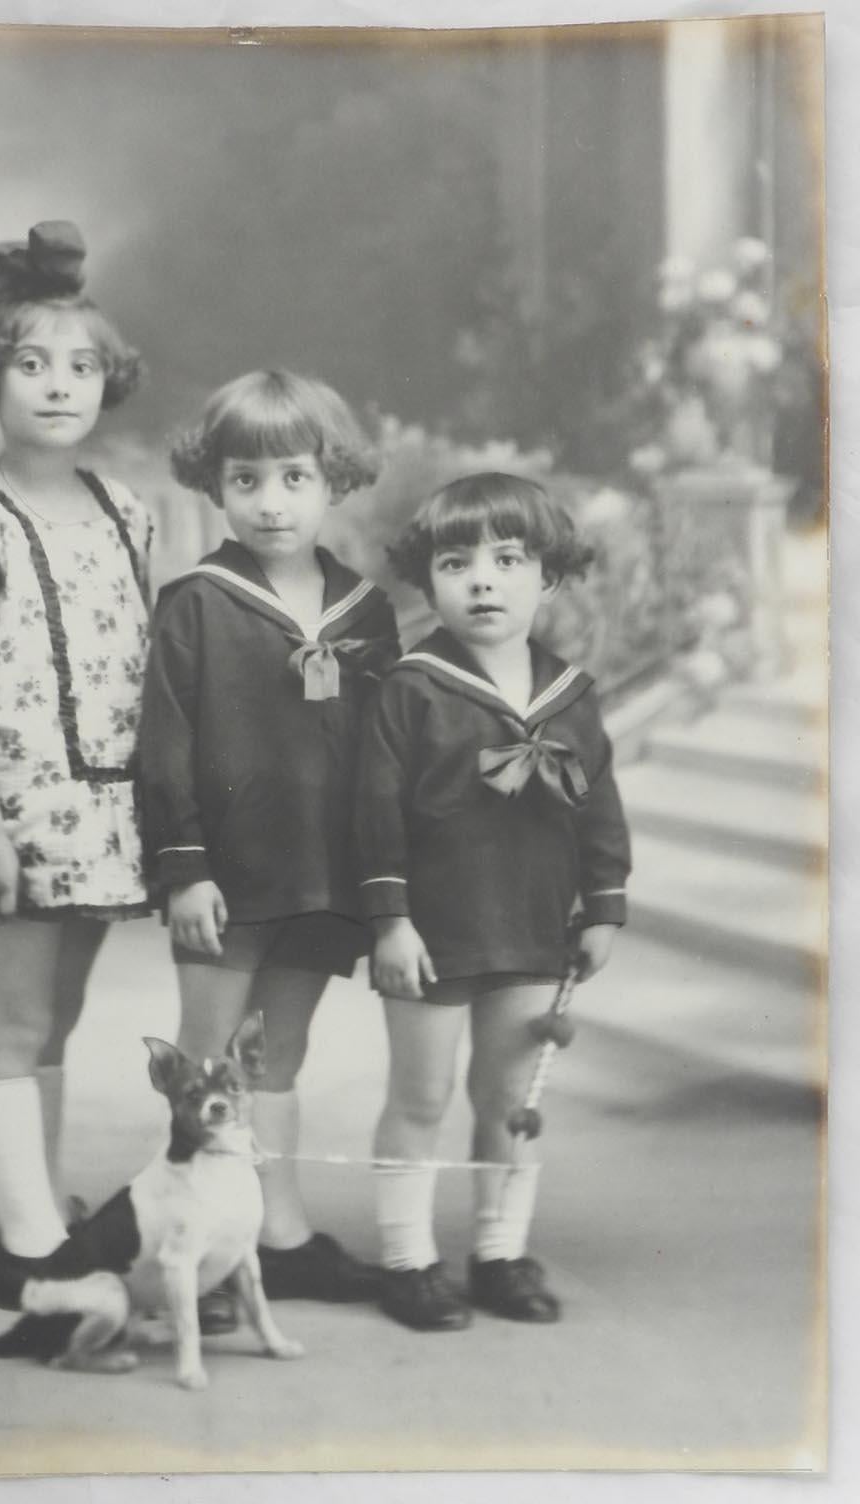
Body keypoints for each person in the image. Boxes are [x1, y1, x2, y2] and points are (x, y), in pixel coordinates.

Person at [139, 369, 400, 1321]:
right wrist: (186, 868)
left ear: (333, 479)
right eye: (246, 480)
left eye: (293, 478)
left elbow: (384, 754)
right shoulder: (196, 604)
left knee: (278, 1058)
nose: (271, 501)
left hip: (321, 877)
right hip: (227, 880)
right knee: (206, 1062)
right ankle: (194, 1253)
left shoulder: (366, 612)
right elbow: (164, 753)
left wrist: (384, 882)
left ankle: (277, 1238)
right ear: (216, 486)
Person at [0, 221, 151, 1308]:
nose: (58, 387)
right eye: (30, 365)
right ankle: (22, 1248)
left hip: (103, 812)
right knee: (10, 1022)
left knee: (56, 1022)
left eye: (81, 367)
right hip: (13, 811)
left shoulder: (125, 513)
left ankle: (40, 1206)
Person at [356, 472, 630, 1332]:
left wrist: (604, 906)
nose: (482, 580)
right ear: (427, 580)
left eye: (508, 560)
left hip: (536, 927)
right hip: (433, 934)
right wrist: (390, 923)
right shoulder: (411, 688)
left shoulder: (573, 696)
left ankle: (500, 1253)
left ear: (548, 578)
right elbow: (373, 818)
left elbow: (600, 810)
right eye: (456, 562)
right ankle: (407, 1262)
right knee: (421, 1095)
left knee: (509, 1097)